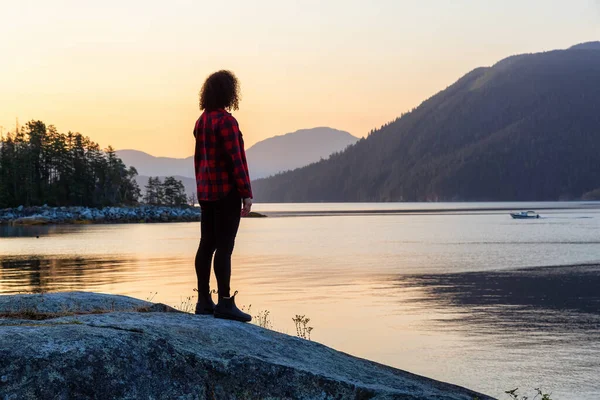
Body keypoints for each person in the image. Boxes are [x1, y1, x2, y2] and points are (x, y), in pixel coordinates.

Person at [193, 70, 253, 322]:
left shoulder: (202, 121)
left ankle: (204, 300)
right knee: (225, 248)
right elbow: (236, 161)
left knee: (207, 244)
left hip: (206, 193)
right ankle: (225, 303)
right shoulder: (227, 122)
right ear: (229, 93)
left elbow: (200, 160)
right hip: (226, 193)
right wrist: (246, 193)